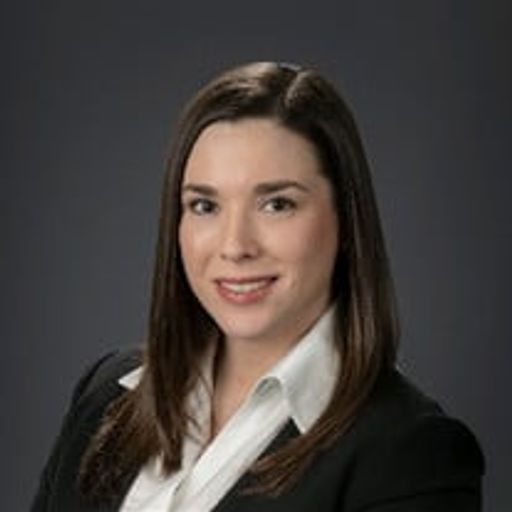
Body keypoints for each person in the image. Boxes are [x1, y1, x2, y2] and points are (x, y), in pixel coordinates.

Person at [31, 62, 484, 511]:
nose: (235, 246)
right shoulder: (107, 394)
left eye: (277, 204)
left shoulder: (413, 455)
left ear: (346, 219)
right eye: (205, 205)